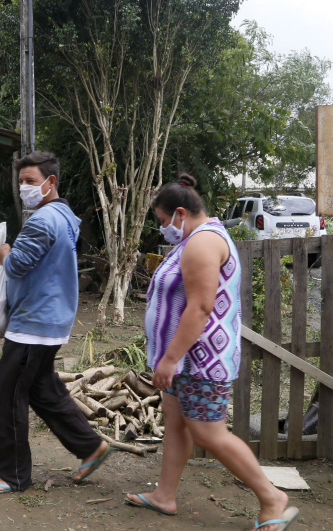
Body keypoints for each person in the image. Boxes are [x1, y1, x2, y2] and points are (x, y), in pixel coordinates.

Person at [125, 174, 298, 531]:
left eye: (162, 221)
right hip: (183, 359)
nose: (163, 228)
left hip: (200, 359)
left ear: (180, 212)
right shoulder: (196, 237)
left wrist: (170, 358)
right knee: (176, 422)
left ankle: (272, 497)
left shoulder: (203, 242)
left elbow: (200, 308)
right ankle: (164, 495)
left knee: (208, 433)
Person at [0, 151, 111, 495]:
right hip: (52, 320)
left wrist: (3, 252)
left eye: (31, 181)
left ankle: (13, 475)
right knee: (41, 389)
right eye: (21, 182)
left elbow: (17, 266)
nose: (24, 188)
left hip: (33, 324)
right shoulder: (65, 216)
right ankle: (89, 446)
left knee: (6, 398)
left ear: (50, 182)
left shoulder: (41, 221)